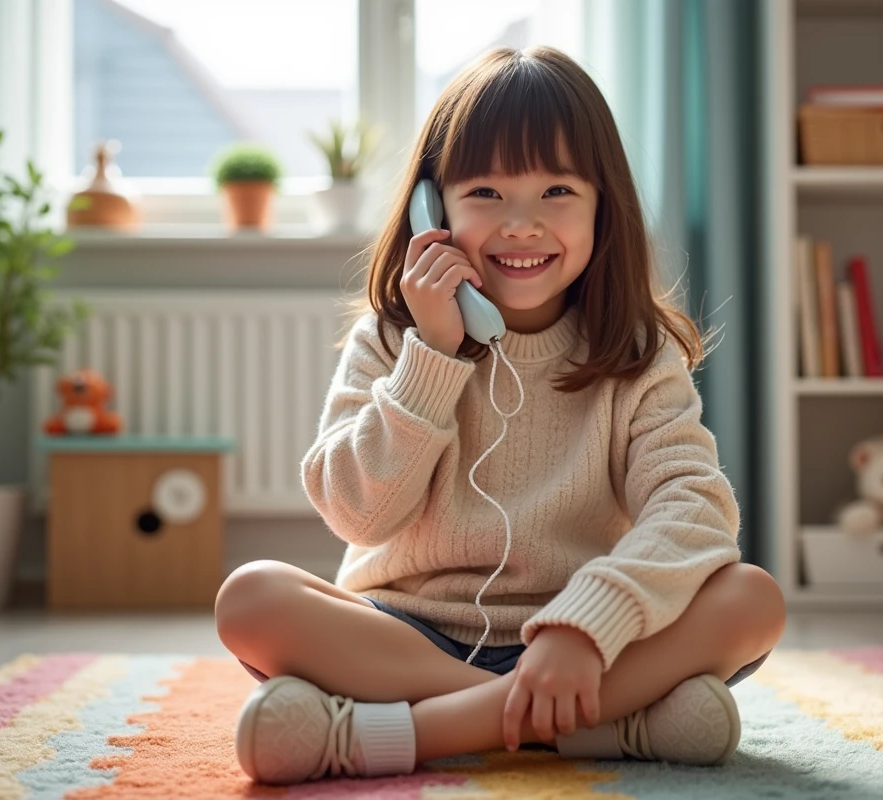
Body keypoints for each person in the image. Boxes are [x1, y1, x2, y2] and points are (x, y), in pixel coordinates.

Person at [214, 45, 785, 785]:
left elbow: (696, 510)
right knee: (251, 597)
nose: (522, 225)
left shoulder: (636, 354)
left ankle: (397, 735)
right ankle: (604, 729)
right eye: (485, 191)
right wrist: (433, 358)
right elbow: (357, 514)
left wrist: (584, 625)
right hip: (403, 635)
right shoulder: (391, 339)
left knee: (753, 599)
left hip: (587, 641)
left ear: (602, 204)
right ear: (434, 209)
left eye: (556, 192)